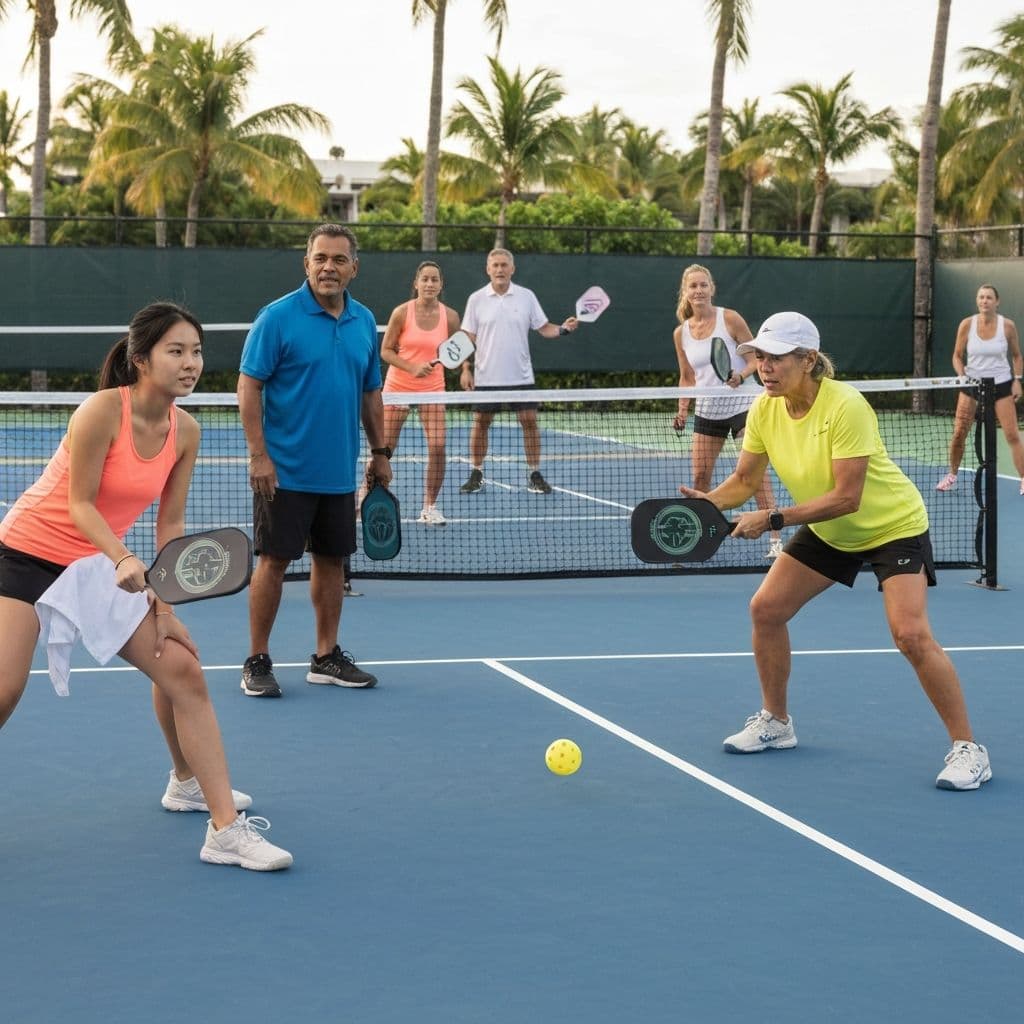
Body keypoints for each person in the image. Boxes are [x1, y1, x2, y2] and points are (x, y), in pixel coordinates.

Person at [0, 302, 292, 869]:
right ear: (141, 359)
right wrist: (123, 558)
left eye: (197, 351)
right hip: (29, 551)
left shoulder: (186, 429)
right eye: (176, 351)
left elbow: (171, 523)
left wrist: (165, 593)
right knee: (4, 691)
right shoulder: (100, 412)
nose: (191, 363)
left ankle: (216, 820)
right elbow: (79, 505)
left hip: (103, 563)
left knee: (181, 667)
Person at [680, 311, 991, 791]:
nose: (764, 366)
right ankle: (776, 722)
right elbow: (744, 480)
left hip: (892, 527)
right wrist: (710, 503)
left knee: (909, 634)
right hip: (831, 532)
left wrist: (775, 518)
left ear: (807, 360)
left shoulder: (845, 405)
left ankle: (969, 749)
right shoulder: (764, 408)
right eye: (760, 356)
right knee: (766, 609)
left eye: (776, 357)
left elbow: (848, 496)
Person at [237, 223, 392, 699]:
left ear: (353, 268)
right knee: (274, 563)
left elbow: (371, 393)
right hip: (283, 473)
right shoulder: (277, 317)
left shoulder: (364, 321)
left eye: (338, 259)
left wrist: (380, 451)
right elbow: (249, 386)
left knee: (332, 561)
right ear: (306, 264)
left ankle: (326, 657)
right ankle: (257, 659)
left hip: (338, 472)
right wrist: (259, 455)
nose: (329, 267)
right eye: (320, 258)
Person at [672, 263, 782, 558]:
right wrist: (683, 409)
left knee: (756, 476)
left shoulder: (729, 318)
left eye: (703, 285)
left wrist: (742, 376)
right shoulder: (680, 333)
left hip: (744, 405)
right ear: (686, 292)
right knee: (700, 478)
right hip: (708, 408)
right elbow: (687, 376)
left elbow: (756, 358)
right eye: (693, 286)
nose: (699, 290)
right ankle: (696, 538)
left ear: (712, 288)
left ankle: (775, 542)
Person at [457, 248, 579, 494]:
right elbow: (467, 337)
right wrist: (465, 368)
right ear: (488, 269)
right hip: (486, 378)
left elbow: (544, 328)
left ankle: (534, 473)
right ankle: (477, 472)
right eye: (496, 266)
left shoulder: (526, 296)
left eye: (504, 265)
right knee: (480, 423)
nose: (500, 270)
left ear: (512, 269)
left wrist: (564, 329)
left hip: (521, 377)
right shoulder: (476, 299)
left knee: (530, 423)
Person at [378, 260, 461, 525]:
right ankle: (369, 495)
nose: (429, 284)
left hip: (433, 389)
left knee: (438, 447)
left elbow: (457, 352)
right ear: (416, 283)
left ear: (440, 284)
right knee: (384, 449)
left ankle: (430, 506)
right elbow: (386, 351)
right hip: (399, 387)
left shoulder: (450, 317)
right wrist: (412, 367)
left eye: (434, 279)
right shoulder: (401, 313)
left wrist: (460, 364)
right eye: (424, 279)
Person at [936, 283, 1024, 495]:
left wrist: (1017, 380)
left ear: (997, 302)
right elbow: (957, 356)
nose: (984, 301)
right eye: (981, 297)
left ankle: (1023, 478)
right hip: (972, 385)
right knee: (959, 433)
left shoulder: (1008, 326)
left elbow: (1016, 356)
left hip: (1001, 385)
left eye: (989, 298)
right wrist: (962, 376)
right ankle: (952, 475)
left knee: (1012, 435)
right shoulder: (967, 325)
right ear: (977, 301)